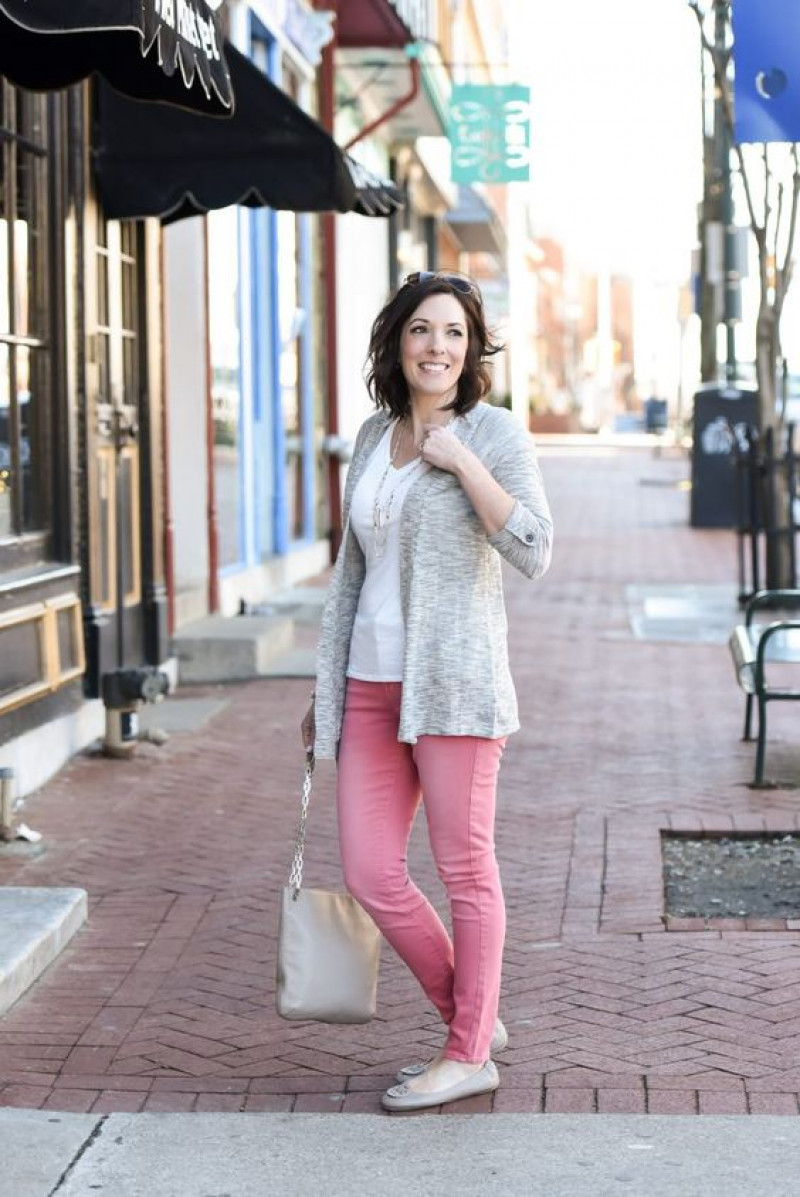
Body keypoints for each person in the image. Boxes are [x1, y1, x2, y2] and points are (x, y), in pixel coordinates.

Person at [301, 270, 553, 1112]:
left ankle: (468, 1051)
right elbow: (349, 576)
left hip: (455, 690)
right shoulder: (373, 436)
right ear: (396, 342)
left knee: (463, 867)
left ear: (472, 348)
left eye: (452, 332)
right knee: (372, 873)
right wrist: (326, 691)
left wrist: (463, 462)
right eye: (420, 330)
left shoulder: (497, 432)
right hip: (369, 688)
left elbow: (533, 548)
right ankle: (472, 1015)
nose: (435, 347)